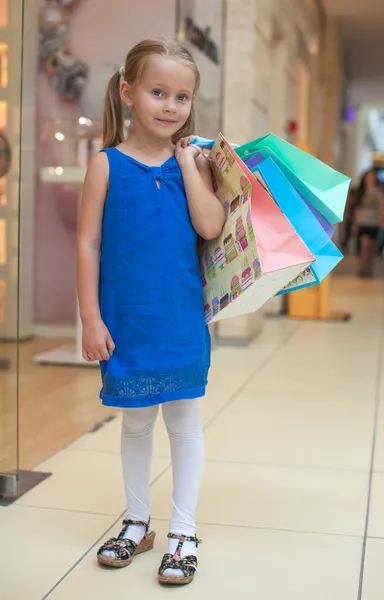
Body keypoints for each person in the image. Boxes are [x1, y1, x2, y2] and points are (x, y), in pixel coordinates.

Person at [76, 38, 225, 586]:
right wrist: (91, 318)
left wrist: (190, 165)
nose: (170, 105)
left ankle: (182, 530)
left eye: (182, 96)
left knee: (184, 422)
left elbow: (210, 226)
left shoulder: (195, 163)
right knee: (136, 422)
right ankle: (138, 523)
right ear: (127, 92)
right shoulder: (105, 165)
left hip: (180, 319)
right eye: (158, 92)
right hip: (126, 319)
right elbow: (88, 244)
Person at [353, 168, 384, 277]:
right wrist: (355, 223)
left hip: (374, 222)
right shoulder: (361, 192)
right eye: (369, 177)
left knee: (371, 247)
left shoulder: (379, 192)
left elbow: (382, 207)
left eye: (372, 177)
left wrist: (383, 220)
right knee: (364, 245)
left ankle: (369, 266)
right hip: (363, 222)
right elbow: (357, 209)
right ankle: (363, 268)